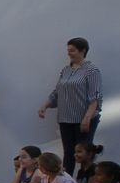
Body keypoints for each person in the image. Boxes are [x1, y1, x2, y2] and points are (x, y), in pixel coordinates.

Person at [38, 37, 103, 174]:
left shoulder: (91, 70)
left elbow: (95, 97)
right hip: (65, 118)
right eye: (68, 50)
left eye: (72, 50)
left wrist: (87, 117)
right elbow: (57, 92)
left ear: (82, 51)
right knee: (69, 152)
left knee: (84, 153)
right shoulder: (66, 70)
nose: (69, 53)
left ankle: (86, 182)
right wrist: (45, 106)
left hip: (83, 118)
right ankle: (67, 182)